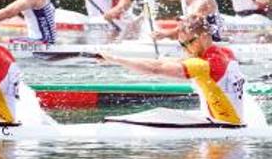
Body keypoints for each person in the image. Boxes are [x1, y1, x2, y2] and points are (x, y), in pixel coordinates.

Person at [101, 15, 246, 125]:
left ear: (202, 37)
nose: (185, 49)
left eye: (187, 44)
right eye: (181, 44)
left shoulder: (204, 65)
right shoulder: (226, 53)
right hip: (232, 123)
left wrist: (115, 60)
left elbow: (155, 69)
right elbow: (171, 62)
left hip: (224, 132)